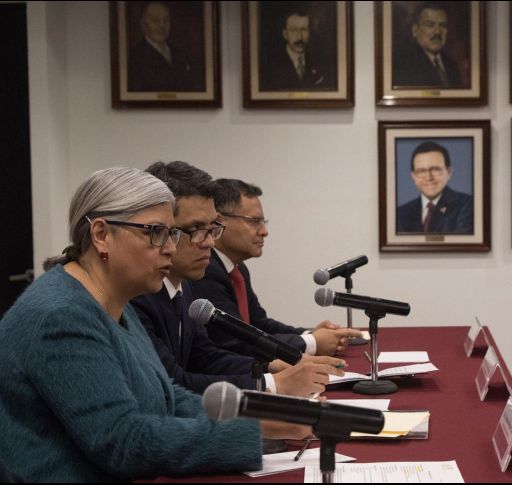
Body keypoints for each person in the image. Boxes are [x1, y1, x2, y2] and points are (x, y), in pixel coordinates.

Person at [0, 167, 263, 481]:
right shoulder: (60, 315)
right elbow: (122, 441)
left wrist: (254, 413)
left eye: (172, 233)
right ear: (101, 235)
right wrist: (252, 433)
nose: (169, 247)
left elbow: (168, 398)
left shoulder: (114, 302)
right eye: (155, 233)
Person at [132, 162, 344, 400]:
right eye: (196, 229)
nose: (210, 242)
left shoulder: (185, 283)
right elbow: (174, 382)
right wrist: (271, 383)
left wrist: (269, 366)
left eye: (212, 228)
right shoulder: (138, 296)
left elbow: (204, 355)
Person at [191, 179, 362, 357]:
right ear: (219, 222)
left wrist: (308, 335)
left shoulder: (237, 269)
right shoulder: (206, 270)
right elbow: (235, 341)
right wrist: (312, 343)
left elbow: (259, 325)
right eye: (255, 221)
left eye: (263, 222)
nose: (264, 231)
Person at [396, 141, 473, 234]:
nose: (429, 177)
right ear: (413, 177)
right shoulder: (400, 214)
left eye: (435, 169)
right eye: (421, 171)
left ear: (449, 172)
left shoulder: (468, 205)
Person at [128, 2, 202, 92]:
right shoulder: (134, 58)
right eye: (155, 20)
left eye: (166, 20)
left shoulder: (180, 54)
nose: (162, 26)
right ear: (143, 24)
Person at [392, 2, 463, 88]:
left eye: (442, 25)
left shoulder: (452, 67)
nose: (437, 32)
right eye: (430, 25)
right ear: (415, 30)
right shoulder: (402, 66)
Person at [260, 9, 334, 91]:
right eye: (293, 30)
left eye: (304, 29)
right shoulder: (269, 65)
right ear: (285, 34)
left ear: (310, 32)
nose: (299, 37)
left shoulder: (321, 64)